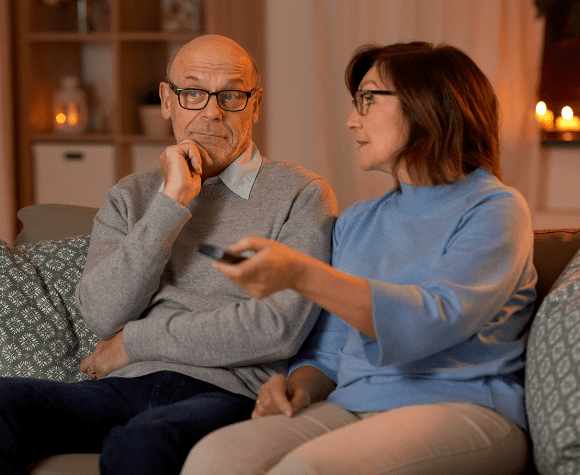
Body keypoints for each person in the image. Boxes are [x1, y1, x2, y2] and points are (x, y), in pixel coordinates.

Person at [181, 42, 536, 475]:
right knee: (213, 458)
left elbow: (431, 319)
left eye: (368, 100)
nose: (352, 120)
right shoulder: (358, 221)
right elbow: (329, 353)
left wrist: (299, 273)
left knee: (304, 470)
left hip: (466, 408)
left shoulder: (496, 209)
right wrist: (296, 388)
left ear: (430, 103)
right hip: (353, 406)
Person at [0, 35, 337, 475]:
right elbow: (103, 316)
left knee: (143, 441)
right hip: (123, 386)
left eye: (231, 95)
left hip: (226, 393)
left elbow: (277, 328)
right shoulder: (131, 196)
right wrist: (171, 202)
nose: (211, 112)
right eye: (193, 92)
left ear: (254, 105)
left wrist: (134, 342)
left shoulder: (302, 193)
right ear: (167, 100)